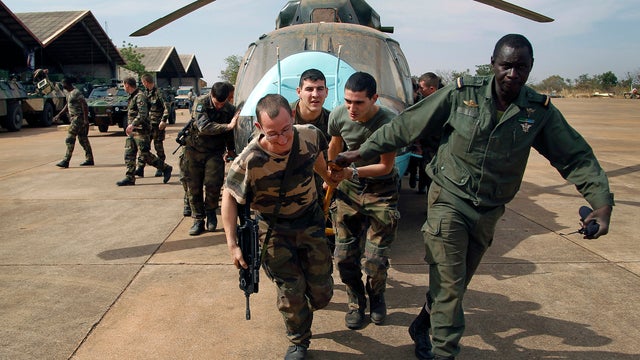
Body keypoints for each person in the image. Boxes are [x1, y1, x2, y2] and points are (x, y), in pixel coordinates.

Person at [333, 34, 614, 360]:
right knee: (451, 287)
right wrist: (361, 152)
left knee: (455, 285)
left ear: (530, 68)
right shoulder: (461, 94)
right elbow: (407, 125)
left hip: (489, 210)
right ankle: (444, 353)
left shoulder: (537, 111)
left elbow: (575, 156)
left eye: (521, 67)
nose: (513, 74)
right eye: (506, 65)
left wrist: (601, 204)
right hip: (449, 201)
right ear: (493, 63)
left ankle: (423, 323)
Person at [222, 94, 334, 360]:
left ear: (293, 119)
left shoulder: (310, 134)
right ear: (259, 129)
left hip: (310, 220)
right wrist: (232, 245)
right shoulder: (249, 159)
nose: (282, 139)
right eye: (273, 134)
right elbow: (228, 196)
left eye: (286, 130)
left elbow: (316, 159)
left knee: (321, 294)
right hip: (274, 231)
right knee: (291, 290)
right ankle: (298, 339)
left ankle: (302, 307)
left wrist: (329, 176)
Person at [327, 72, 400, 330]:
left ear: (374, 98)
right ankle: (356, 301)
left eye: (359, 102)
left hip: (382, 189)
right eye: (348, 101)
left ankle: (377, 297)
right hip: (349, 188)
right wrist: (331, 173)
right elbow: (335, 146)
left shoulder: (389, 122)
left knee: (375, 259)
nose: (351, 108)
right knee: (344, 255)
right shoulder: (338, 115)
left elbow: (385, 166)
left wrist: (351, 171)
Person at [184, 82, 237, 235]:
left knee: (213, 184)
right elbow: (204, 127)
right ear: (211, 95)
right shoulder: (200, 103)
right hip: (194, 150)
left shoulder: (229, 109)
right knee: (194, 186)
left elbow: (230, 135)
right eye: (217, 103)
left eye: (223, 102)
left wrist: (231, 149)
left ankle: (211, 213)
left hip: (214, 151)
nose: (220, 106)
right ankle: (198, 219)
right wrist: (228, 126)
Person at [116, 77, 173, 186]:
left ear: (127, 85)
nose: (123, 87)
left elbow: (143, 114)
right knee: (129, 153)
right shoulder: (133, 96)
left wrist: (132, 125)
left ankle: (165, 168)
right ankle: (130, 177)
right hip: (134, 131)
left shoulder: (140, 96)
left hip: (142, 130)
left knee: (145, 155)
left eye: (124, 85)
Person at [408, 72, 444, 194]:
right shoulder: (427, 102)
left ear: (432, 89)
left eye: (422, 88)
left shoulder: (441, 104)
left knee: (431, 176)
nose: (419, 90)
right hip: (427, 146)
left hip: (434, 147)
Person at [53, 76, 94, 168]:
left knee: (70, 138)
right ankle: (89, 159)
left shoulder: (76, 92)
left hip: (78, 118)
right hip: (74, 118)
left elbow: (84, 105)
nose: (62, 85)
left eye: (63, 83)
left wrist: (86, 119)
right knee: (83, 139)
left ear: (67, 84)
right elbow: (67, 106)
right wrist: (59, 115)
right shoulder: (69, 93)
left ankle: (66, 160)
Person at [135, 73, 170, 178]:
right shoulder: (145, 93)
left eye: (143, 82)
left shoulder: (159, 92)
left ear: (146, 82)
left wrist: (164, 120)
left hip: (157, 124)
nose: (143, 84)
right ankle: (140, 168)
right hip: (147, 125)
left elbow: (167, 106)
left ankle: (161, 167)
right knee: (143, 146)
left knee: (158, 146)